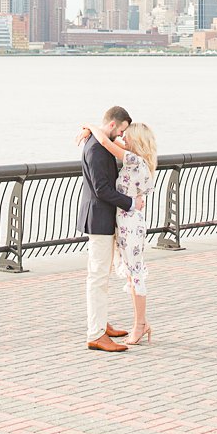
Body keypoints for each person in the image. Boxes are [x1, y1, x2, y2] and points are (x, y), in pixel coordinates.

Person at [81, 120, 158, 346]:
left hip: (130, 223)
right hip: (124, 222)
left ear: (137, 140)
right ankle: (123, 324)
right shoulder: (134, 158)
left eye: (128, 135)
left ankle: (140, 325)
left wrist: (90, 126)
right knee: (130, 274)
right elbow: (109, 140)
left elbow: (105, 139)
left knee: (135, 274)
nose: (124, 138)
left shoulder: (134, 159)